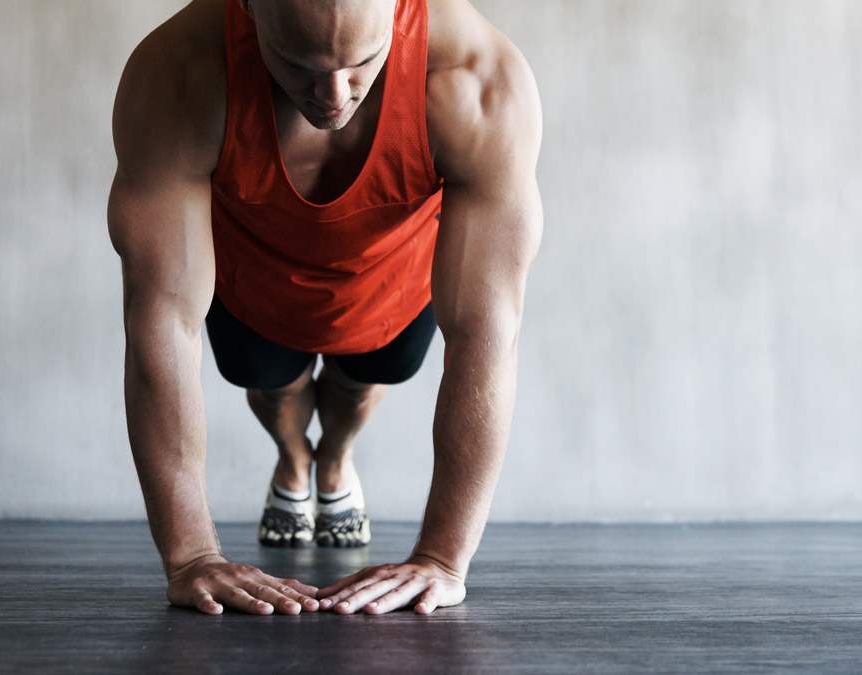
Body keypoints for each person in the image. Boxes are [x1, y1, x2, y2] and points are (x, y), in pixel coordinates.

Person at [106, 0, 542, 616]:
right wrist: (191, 557)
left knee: (358, 391)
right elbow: (159, 319)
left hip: (395, 282)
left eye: (362, 62)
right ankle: (295, 459)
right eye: (299, 65)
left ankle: (332, 462)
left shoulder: (474, 77)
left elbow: (487, 331)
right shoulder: (180, 74)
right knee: (277, 393)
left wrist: (443, 558)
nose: (334, 95)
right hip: (252, 282)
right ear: (252, 9)